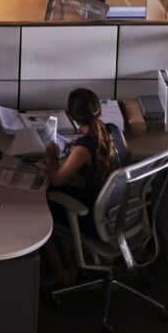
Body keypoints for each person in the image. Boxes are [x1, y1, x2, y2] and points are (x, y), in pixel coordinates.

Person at [41, 87, 130, 284]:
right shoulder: (115, 130)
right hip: (118, 210)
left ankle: (61, 272)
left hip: (98, 217)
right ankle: (70, 264)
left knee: (45, 206)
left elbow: (57, 179)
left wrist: (54, 158)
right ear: (98, 110)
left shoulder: (84, 147)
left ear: (72, 117)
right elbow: (126, 156)